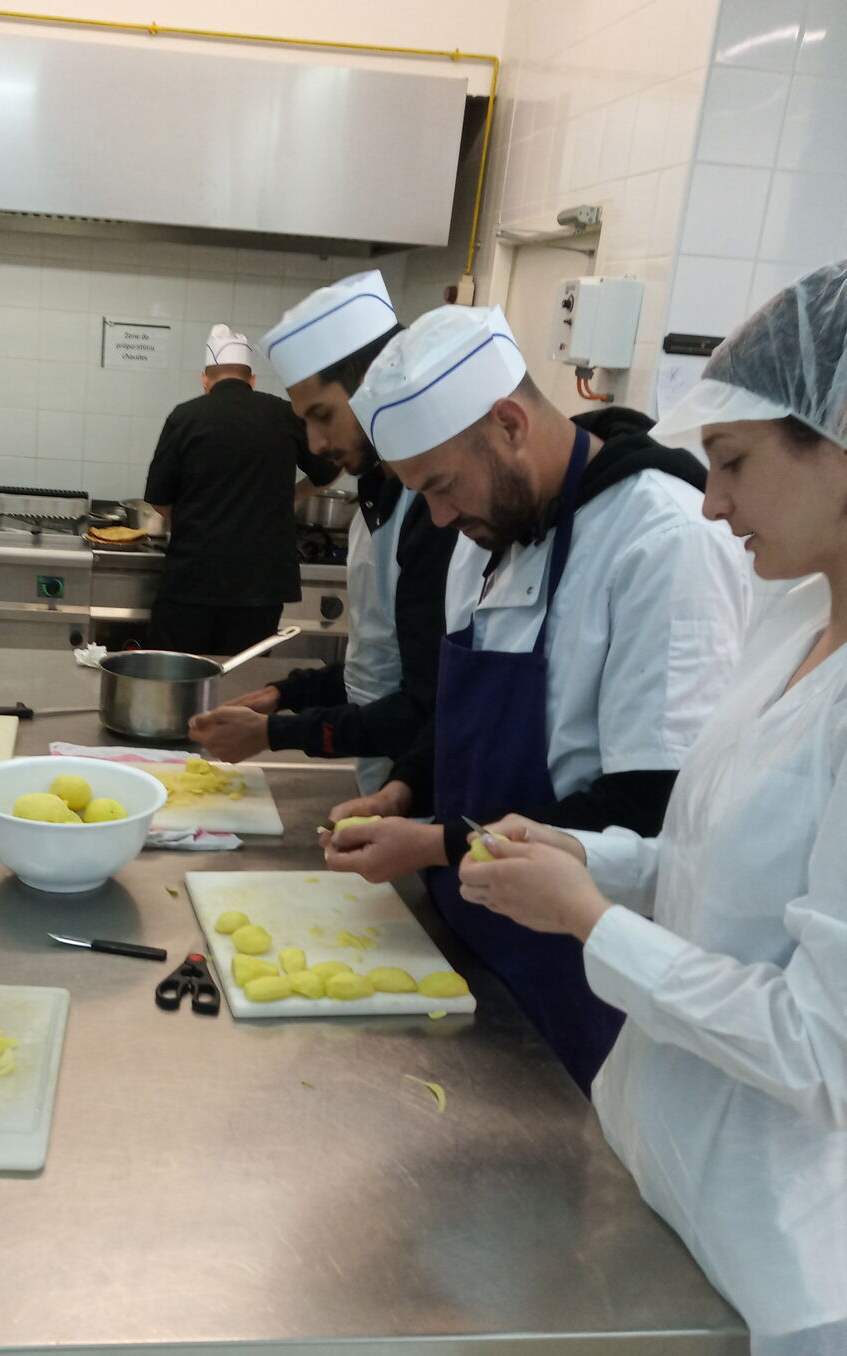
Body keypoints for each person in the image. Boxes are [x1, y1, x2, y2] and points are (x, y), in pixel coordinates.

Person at [456, 262, 847, 1356]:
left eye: (736, 463)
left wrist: (600, 929)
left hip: (783, 1270)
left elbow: (821, 1045)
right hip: (664, 1193)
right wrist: (592, 860)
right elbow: (719, 856)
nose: (715, 499)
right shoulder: (799, 620)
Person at [323, 305, 750, 1091]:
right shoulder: (484, 537)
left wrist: (434, 843)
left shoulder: (663, 543)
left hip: (575, 979)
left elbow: (651, 811)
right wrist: (405, 786)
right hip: (470, 950)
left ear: (511, 422)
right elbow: (458, 714)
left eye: (443, 487)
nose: (440, 517)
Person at [189, 272, 457, 795]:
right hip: (382, 786)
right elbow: (377, 667)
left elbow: (428, 704)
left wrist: (277, 731)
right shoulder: (377, 500)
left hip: (423, 795)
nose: (314, 442)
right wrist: (284, 694)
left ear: (373, 385)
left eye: (322, 416)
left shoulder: (438, 517)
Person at [144, 323, 340, 657]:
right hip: (260, 587)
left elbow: (159, 501)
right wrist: (290, 497)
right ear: (252, 380)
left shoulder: (185, 417)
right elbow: (328, 472)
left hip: (193, 578)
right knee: (243, 681)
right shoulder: (284, 414)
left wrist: (196, 522)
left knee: (177, 683)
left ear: (204, 380)